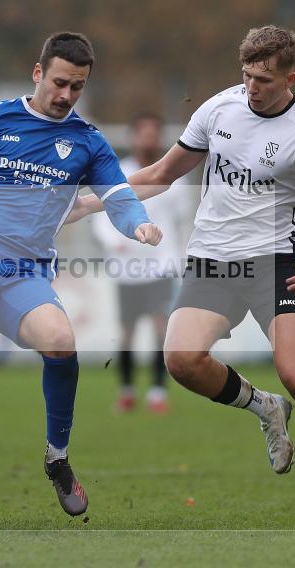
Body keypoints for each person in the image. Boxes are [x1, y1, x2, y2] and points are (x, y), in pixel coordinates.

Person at [67, 25, 295, 527]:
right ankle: (265, 408)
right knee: (181, 360)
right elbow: (161, 175)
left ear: (290, 77)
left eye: (265, 80)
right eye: (247, 75)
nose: (252, 87)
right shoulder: (218, 109)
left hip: (275, 264)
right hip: (211, 260)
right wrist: (90, 204)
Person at [0, 32, 163, 517]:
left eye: (77, 87)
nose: (65, 95)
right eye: (59, 82)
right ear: (38, 74)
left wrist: (137, 223)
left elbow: (118, 194)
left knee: (62, 341)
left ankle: (57, 460)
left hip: (24, 270)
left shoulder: (87, 141)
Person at [91, 112, 192, 414]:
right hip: (127, 267)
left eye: (153, 134)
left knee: (162, 327)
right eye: (143, 133)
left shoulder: (175, 176)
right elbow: (102, 215)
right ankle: (126, 391)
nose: (148, 139)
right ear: (134, 137)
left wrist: (182, 257)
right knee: (127, 332)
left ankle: (158, 393)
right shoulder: (119, 173)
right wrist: (114, 242)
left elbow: (184, 221)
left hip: (161, 266)